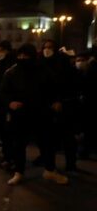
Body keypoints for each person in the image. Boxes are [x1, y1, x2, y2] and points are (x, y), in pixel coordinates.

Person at [0, 44, 68, 185]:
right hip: (21, 114)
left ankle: (50, 170)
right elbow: (3, 92)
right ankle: (19, 172)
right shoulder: (11, 73)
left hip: (41, 113)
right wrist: (10, 103)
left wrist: (56, 101)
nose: (22, 58)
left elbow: (55, 88)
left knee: (46, 143)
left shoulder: (44, 71)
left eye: (26, 55)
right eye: (20, 55)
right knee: (19, 144)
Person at [39, 39, 79, 171]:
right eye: (45, 47)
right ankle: (47, 163)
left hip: (64, 105)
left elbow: (69, 85)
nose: (47, 49)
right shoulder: (42, 64)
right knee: (47, 137)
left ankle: (71, 164)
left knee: (68, 137)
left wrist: (60, 100)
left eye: (50, 47)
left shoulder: (63, 65)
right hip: (47, 106)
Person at [0, 41, 17, 168]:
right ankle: (7, 156)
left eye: (2, 50)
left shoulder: (12, 67)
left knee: (10, 131)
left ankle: (12, 157)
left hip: (10, 103)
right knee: (3, 130)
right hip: (0, 103)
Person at [75, 50, 97, 159]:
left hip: (90, 104)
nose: (79, 62)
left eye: (82, 60)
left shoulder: (92, 72)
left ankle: (85, 150)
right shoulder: (75, 73)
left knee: (88, 129)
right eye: (77, 60)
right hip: (80, 104)